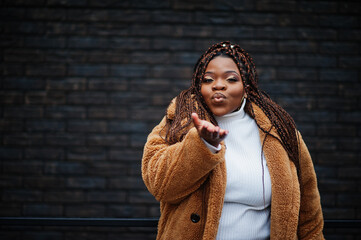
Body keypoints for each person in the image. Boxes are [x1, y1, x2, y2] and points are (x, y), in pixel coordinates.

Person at [142, 41, 324, 240]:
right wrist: (202, 145)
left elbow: (309, 212)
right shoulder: (178, 122)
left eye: (230, 79)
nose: (218, 85)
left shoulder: (280, 130)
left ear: (246, 88)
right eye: (208, 79)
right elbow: (160, 186)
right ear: (198, 86)